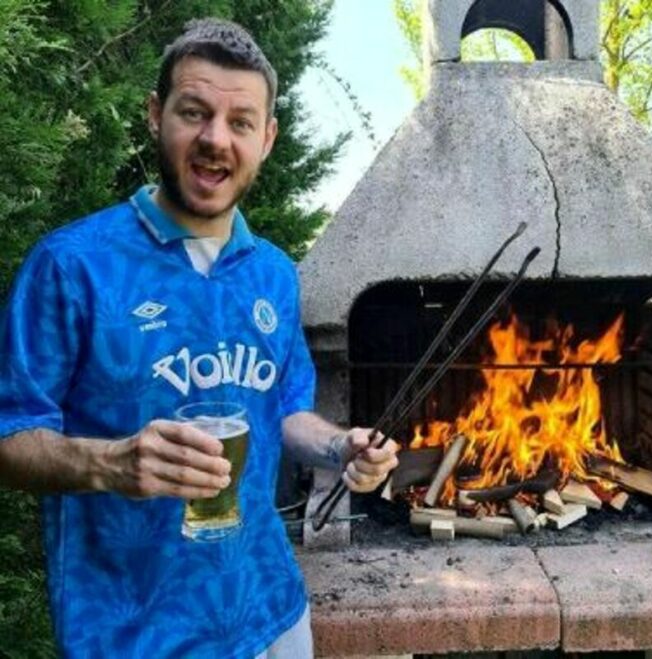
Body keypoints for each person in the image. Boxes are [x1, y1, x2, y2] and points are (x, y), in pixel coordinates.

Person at [0, 17, 398, 658]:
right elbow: (10, 435)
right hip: (131, 636)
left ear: (266, 139)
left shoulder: (273, 273)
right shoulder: (72, 265)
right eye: (194, 112)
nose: (216, 139)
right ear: (155, 115)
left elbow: (282, 410)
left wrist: (339, 447)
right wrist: (112, 464)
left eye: (240, 122)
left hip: (273, 614)